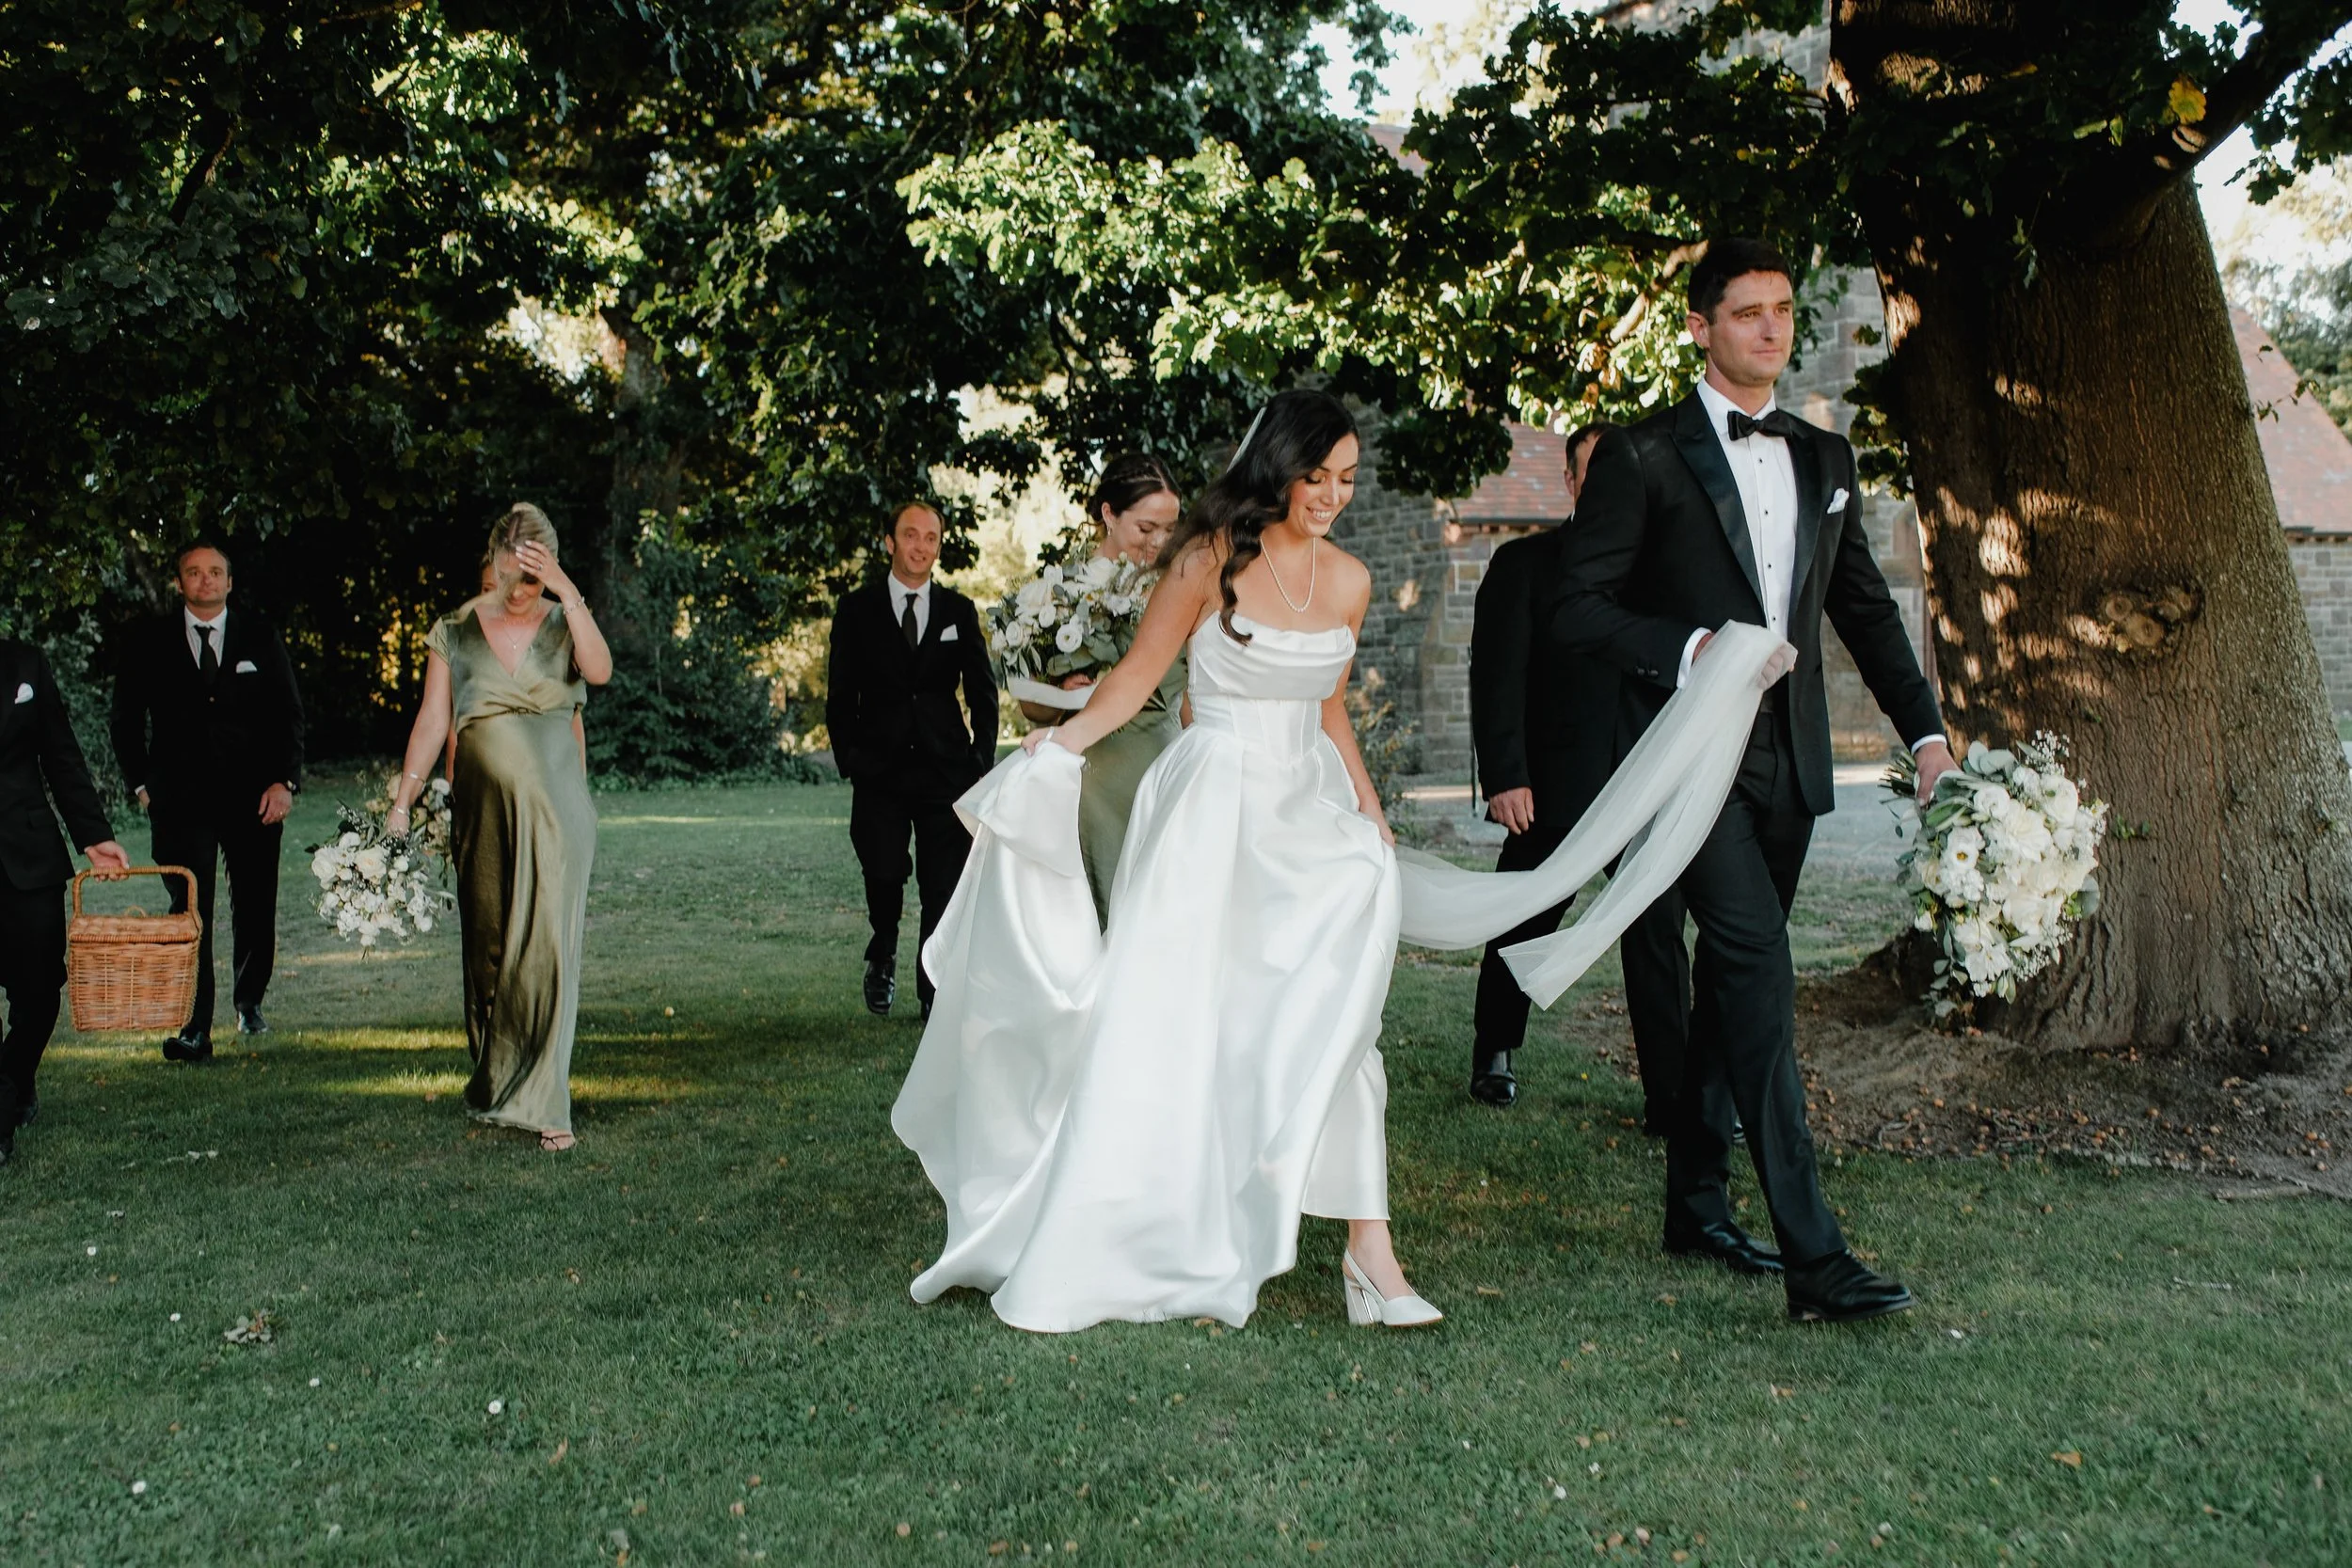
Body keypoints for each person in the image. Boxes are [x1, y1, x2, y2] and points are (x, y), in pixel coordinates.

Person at [896, 388, 1445, 1333]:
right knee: (1184, 1025)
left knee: (1339, 1017)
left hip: (1307, 817)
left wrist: (1367, 808)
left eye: (1348, 479)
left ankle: (1371, 1249)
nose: (1334, 496)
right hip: (1210, 813)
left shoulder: (1351, 581)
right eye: (1318, 476)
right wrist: (1059, 747)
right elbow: (1134, 680)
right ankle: (1159, 1223)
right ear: (1277, 468)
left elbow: (1328, 706)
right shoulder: (1204, 563)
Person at [1552, 237, 1958, 1322]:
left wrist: (1924, 735)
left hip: (1792, 764)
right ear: (1698, 326)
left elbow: (1863, 607)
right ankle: (1815, 1256)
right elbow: (1576, 609)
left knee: (1739, 992)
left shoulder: (1824, 460)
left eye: (1781, 310)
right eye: (1745, 313)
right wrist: (1694, 649)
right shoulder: (1642, 456)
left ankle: (1693, 1199)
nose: (1770, 329)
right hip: (1694, 761)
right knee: (1760, 977)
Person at [385, 505, 611, 1152]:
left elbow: (598, 673)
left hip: (559, 814)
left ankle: (549, 1100)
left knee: (546, 947)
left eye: (536, 580)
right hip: (482, 811)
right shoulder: (454, 630)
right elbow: (434, 721)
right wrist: (403, 802)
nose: (522, 593)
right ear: (496, 563)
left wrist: (567, 591)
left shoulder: (566, 620)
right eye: (515, 577)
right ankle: (497, 1079)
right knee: (490, 942)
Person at [1465, 420, 1637, 1109]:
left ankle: (1672, 1083)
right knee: (1522, 917)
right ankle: (1495, 1048)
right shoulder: (1523, 565)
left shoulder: (1659, 569)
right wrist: (1505, 773)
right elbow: (1496, 676)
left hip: (1641, 781)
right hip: (1550, 785)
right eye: (1590, 471)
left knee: (1657, 935)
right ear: (1570, 482)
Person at [109, 542, 305, 1062]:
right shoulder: (148, 640)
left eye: (215, 572)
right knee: (189, 910)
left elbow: (288, 713)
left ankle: (249, 1001)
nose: (205, 581)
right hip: (179, 801)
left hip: (254, 798)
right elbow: (125, 720)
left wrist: (284, 782)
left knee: (256, 902)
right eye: (193, 573)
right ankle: (194, 1022)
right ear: (179, 583)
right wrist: (142, 787)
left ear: (229, 581)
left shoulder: (259, 635)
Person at [825, 501, 999, 1019]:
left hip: (946, 771)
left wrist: (980, 760)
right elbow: (840, 695)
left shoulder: (958, 611)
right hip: (878, 770)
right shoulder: (856, 611)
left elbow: (982, 691)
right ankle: (883, 946)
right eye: (910, 535)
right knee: (882, 869)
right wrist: (849, 757)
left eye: (930, 537)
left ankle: (932, 991)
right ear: (890, 542)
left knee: (941, 883)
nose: (921, 546)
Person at [1013, 453, 1185, 924]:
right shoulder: (1056, 594)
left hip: (1159, 763)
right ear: (1109, 515)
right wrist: (1060, 690)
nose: (1160, 542)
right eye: (1147, 528)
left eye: (1170, 528)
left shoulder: (1180, 586)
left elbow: (1195, 693)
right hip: (1084, 771)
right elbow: (1032, 706)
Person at [0, 641, 131, 1162]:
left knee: (38, 990)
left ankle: (14, 1077)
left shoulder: (25, 662)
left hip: (28, 857)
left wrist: (92, 834)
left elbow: (60, 753)